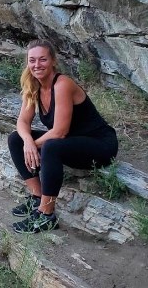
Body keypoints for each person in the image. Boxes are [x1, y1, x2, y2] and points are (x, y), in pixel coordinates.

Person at [7, 40, 118, 234]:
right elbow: (23, 122)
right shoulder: (32, 85)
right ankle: (36, 197)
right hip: (71, 143)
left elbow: (59, 132)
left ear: (52, 61)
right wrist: (27, 143)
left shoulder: (62, 84)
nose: (37, 65)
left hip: (100, 144)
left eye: (42, 59)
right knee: (16, 138)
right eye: (32, 60)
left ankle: (46, 215)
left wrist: (33, 145)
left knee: (51, 146)